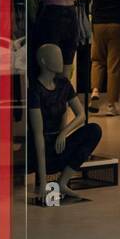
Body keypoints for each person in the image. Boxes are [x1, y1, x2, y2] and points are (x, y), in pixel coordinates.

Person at [29, 43, 102, 205]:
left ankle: (62, 182)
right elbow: (37, 136)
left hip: (58, 143)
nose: (61, 60)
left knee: (94, 131)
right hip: (40, 150)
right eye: (56, 56)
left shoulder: (63, 84)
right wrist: (42, 184)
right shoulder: (35, 90)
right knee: (39, 143)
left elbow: (81, 115)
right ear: (43, 61)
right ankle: (47, 180)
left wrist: (64, 132)